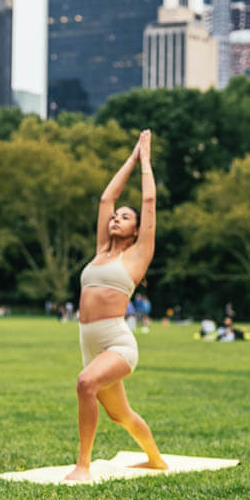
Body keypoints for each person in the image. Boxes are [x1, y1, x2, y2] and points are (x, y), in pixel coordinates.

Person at [65, 130, 167, 481]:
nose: (115, 218)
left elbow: (150, 202)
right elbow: (107, 197)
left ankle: (83, 465)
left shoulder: (138, 255)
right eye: (115, 217)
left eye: (124, 217)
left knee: (85, 384)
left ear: (137, 230)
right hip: (90, 345)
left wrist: (146, 160)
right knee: (120, 414)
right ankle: (155, 459)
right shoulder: (100, 252)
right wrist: (131, 155)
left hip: (117, 345)